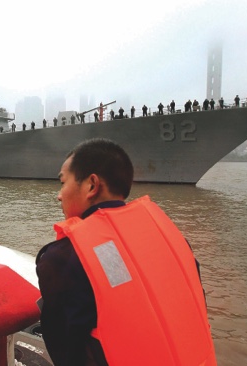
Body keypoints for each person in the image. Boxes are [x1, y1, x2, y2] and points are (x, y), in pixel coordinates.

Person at [36, 138, 215, 366]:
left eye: (63, 183)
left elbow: (64, 346)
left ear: (92, 185)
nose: (59, 195)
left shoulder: (64, 257)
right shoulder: (174, 238)